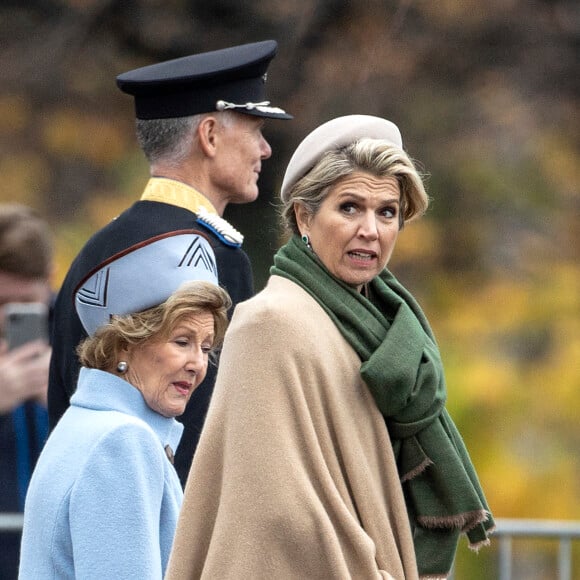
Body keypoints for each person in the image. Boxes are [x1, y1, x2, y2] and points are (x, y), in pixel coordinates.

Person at [166, 115, 495, 580]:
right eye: (349, 207)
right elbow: (278, 512)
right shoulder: (269, 323)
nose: (371, 230)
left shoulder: (389, 327)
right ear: (304, 216)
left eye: (387, 212)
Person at [47, 39, 292, 485]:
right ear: (210, 135)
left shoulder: (96, 248)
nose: (265, 149)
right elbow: (205, 434)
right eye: (255, 129)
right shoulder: (212, 258)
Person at [19, 230, 231, 579]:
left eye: (206, 348)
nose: (198, 363)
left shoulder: (88, 423)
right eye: (182, 341)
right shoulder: (121, 442)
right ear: (125, 343)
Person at [0, 203, 53, 579]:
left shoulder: (81, 341)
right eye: (1, 303)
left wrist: (68, 400)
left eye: (26, 304)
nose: (9, 317)